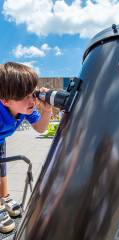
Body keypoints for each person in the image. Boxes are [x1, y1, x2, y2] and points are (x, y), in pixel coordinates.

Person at [0, 62, 52, 233]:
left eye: (33, 93)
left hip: (1, 141)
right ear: (5, 101)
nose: (33, 100)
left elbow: (41, 128)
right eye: (26, 96)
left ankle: (4, 197)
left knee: (2, 171)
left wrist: (47, 110)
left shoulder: (25, 108)